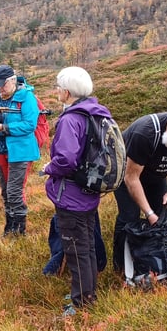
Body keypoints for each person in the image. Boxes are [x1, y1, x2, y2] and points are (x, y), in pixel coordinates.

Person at [42, 66, 113, 316]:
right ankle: (87, 292)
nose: (57, 91)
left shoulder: (71, 119)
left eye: (59, 87)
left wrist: (48, 168)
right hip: (89, 191)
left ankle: (82, 302)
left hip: (71, 195)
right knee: (88, 244)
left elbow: (66, 160)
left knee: (76, 248)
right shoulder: (98, 114)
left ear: (67, 92)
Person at [112, 112, 167, 272]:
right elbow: (131, 178)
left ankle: (160, 259)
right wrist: (148, 213)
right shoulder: (145, 134)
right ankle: (121, 267)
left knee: (164, 215)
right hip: (125, 174)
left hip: (156, 175)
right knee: (129, 217)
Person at [0, 64, 40, 236]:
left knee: (14, 192)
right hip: (0, 151)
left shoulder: (27, 98)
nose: (0, 88)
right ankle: (10, 229)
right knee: (6, 192)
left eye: (3, 84)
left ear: (13, 80)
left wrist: (4, 128)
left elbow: (30, 125)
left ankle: (20, 231)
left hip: (20, 152)